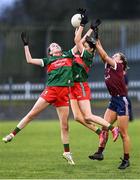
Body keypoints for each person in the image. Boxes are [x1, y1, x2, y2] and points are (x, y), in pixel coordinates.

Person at [2, 32, 77, 165]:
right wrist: (26, 45)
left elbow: (79, 42)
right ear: (51, 53)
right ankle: (11, 134)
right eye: (52, 46)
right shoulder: (48, 60)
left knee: (65, 126)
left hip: (64, 93)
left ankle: (66, 153)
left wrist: (84, 26)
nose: (55, 45)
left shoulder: (68, 55)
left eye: (56, 44)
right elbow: (29, 60)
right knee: (32, 114)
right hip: (51, 91)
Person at [69, 9, 119, 142]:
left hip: (81, 86)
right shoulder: (84, 52)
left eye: (85, 45)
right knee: (78, 117)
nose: (82, 45)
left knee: (88, 116)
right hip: (72, 86)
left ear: (90, 48)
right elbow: (79, 38)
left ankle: (112, 128)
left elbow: (77, 39)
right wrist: (90, 28)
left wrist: (82, 26)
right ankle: (99, 132)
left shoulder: (87, 55)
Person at [88, 28, 131, 170]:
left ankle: (126, 159)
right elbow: (103, 55)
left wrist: (96, 43)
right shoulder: (109, 65)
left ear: (121, 62)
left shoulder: (117, 66)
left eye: (117, 55)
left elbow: (105, 55)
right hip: (113, 100)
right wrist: (96, 34)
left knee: (124, 133)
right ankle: (100, 153)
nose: (114, 56)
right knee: (105, 126)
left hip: (122, 101)